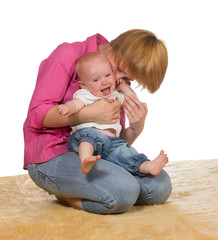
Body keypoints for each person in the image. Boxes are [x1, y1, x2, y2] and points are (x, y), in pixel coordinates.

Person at [24, 29, 172, 214]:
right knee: (124, 190)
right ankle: (68, 195)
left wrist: (136, 128)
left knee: (160, 186)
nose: (118, 81)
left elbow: (110, 144)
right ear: (116, 47)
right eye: (119, 71)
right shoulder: (68, 54)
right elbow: (36, 117)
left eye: (127, 79)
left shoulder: (114, 83)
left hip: (91, 155)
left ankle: (95, 189)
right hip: (51, 156)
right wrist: (88, 114)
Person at [58, 52, 168, 175]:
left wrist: (124, 87)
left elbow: (132, 99)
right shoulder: (86, 95)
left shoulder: (115, 95)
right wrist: (67, 108)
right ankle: (85, 161)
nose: (104, 82)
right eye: (96, 80)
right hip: (88, 134)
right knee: (87, 139)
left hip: (112, 141)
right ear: (83, 85)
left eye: (107, 75)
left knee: (126, 153)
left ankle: (148, 166)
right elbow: (76, 104)